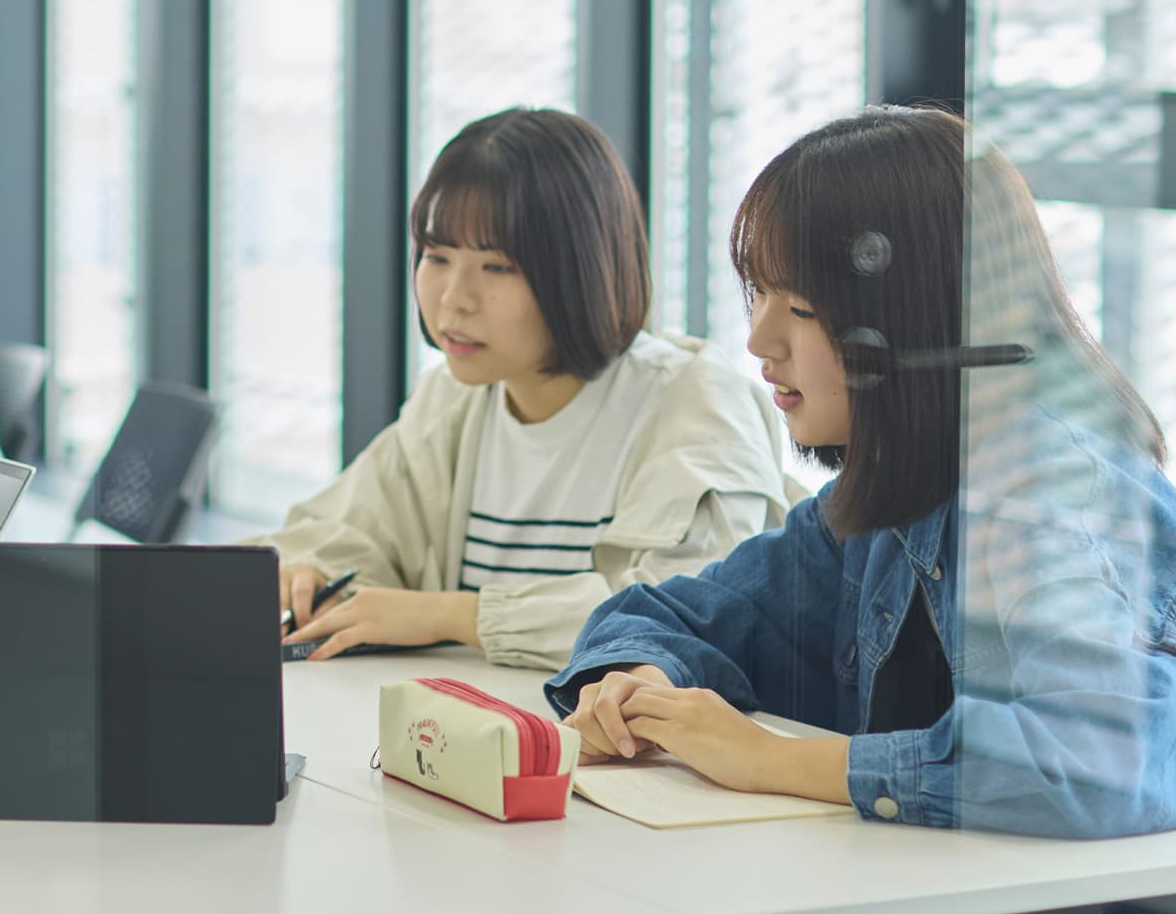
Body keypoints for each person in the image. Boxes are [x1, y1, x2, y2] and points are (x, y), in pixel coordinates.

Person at [550, 107, 1176, 914]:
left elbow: (1102, 770)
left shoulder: (1044, 498)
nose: (759, 339)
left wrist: (767, 759)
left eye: (801, 305)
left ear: (903, 320)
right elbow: (682, 614)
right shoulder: (899, 485)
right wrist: (633, 684)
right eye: (761, 296)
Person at [269, 108, 792, 670]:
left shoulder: (694, 399)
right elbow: (347, 532)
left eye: (497, 267)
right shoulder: (453, 398)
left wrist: (451, 615)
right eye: (437, 257)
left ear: (581, 268)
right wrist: (309, 571)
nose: (454, 299)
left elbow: (689, 609)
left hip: (633, 752)